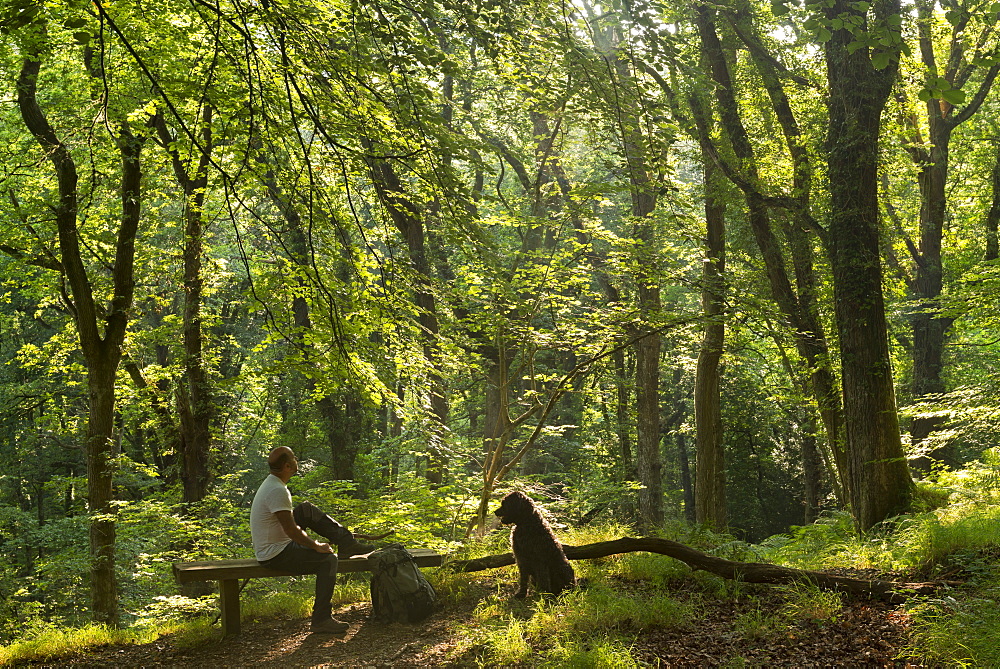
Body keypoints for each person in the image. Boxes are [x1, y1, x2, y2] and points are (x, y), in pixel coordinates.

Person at [250, 446, 374, 634]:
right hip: (274, 554)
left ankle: (347, 544)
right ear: (287, 466)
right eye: (294, 457)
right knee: (328, 560)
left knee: (306, 510)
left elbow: (290, 524)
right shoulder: (276, 490)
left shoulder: (274, 484)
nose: (296, 458)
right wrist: (316, 546)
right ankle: (321, 619)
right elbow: (290, 529)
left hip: (279, 544)